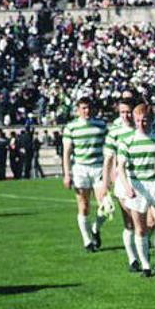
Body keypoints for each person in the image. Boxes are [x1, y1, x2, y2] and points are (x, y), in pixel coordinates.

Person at [118, 102, 155, 278]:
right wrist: (127, 187)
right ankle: (146, 266)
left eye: (145, 120)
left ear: (152, 120)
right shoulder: (127, 140)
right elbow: (121, 167)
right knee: (140, 229)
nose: (142, 124)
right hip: (137, 186)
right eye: (138, 120)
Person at [61, 97, 108, 252]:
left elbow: (109, 149)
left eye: (88, 108)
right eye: (83, 108)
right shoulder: (71, 127)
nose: (86, 111)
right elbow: (67, 152)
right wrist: (67, 174)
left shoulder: (101, 125)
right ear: (78, 110)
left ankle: (95, 228)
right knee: (84, 206)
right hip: (80, 169)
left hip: (98, 168)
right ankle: (87, 241)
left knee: (107, 206)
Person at [104, 99, 139, 269]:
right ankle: (133, 259)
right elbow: (108, 159)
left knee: (149, 223)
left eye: (128, 112)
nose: (125, 116)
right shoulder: (115, 133)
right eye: (122, 112)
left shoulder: (145, 129)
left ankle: (142, 252)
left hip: (144, 182)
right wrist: (106, 184)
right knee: (130, 222)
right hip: (123, 181)